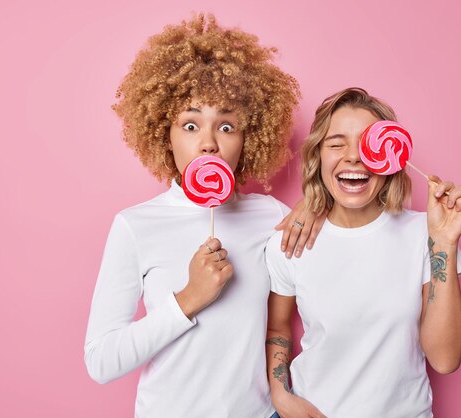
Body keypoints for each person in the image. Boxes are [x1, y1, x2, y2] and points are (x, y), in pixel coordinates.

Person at [84, 14, 322, 417]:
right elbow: (102, 361)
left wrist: (316, 204)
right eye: (191, 124)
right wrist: (188, 299)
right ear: (164, 133)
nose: (209, 143)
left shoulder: (270, 216)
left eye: (227, 126)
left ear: (249, 138)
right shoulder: (135, 225)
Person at [265, 87, 461, 418]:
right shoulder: (289, 243)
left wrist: (444, 241)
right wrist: (280, 393)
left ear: (391, 156)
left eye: (366, 144)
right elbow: (277, 328)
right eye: (336, 144)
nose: (353, 156)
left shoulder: (425, 234)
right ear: (318, 156)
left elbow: (446, 359)